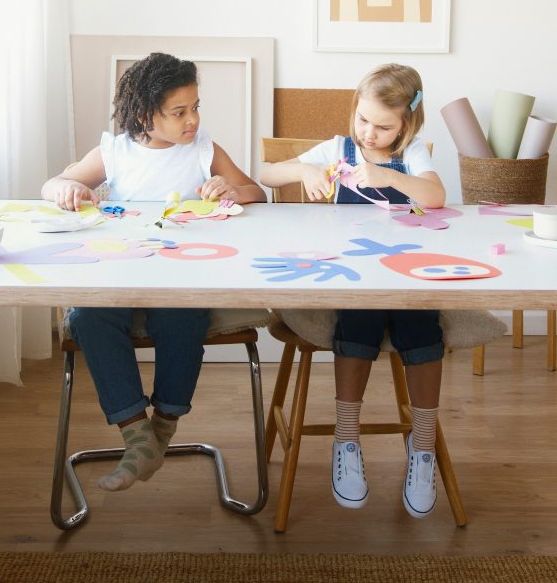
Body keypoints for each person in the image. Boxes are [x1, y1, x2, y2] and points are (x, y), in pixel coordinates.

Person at [42, 51, 266, 492]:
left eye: (196, 107)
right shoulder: (115, 150)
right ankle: (136, 432)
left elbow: (255, 192)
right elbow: (52, 185)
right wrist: (67, 186)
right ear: (145, 114)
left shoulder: (205, 151)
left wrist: (229, 188)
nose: (193, 120)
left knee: (183, 315)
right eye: (179, 112)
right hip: (123, 271)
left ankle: (163, 426)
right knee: (88, 317)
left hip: (182, 276)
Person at [261, 63, 445, 519]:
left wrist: (395, 178)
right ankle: (347, 437)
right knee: (359, 321)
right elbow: (265, 173)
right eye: (362, 120)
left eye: (384, 126)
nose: (369, 133)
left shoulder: (413, 153)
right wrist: (304, 168)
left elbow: (436, 196)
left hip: (404, 275)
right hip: (353, 275)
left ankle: (422, 446)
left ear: (408, 123)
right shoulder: (339, 151)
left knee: (421, 322)